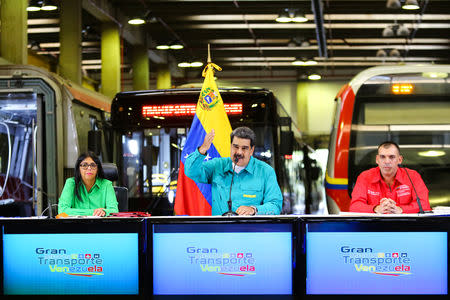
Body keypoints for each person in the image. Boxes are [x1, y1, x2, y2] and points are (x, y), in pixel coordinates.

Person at [184, 126, 283, 215]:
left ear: (252, 150)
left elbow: (275, 206)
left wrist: (254, 210)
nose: (239, 152)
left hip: (251, 232)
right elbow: (190, 171)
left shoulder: (265, 171)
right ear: (230, 146)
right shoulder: (217, 166)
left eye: (244, 148)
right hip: (220, 232)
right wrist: (202, 149)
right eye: (236, 147)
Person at [350, 141, 431, 214]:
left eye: (391, 157)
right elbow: (354, 206)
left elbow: (424, 205)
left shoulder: (413, 176)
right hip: (374, 227)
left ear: (400, 160)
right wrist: (376, 208)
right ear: (377, 159)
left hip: (405, 227)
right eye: (382, 157)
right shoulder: (365, 177)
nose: (387, 161)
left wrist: (401, 209)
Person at [58, 151, 118, 216]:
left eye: (93, 165)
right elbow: (62, 211)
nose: (89, 168)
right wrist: (94, 212)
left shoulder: (106, 184)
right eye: (84, 165)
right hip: (76, 224)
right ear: (79, 168)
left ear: (97, 168)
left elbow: (114, 211)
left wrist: (104, 211)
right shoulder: (71, 183)